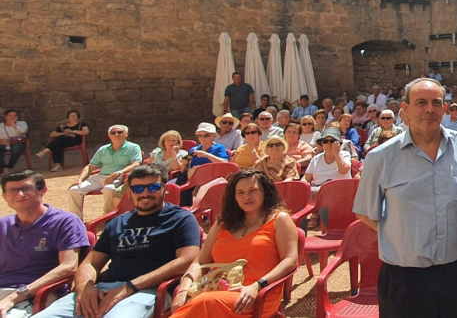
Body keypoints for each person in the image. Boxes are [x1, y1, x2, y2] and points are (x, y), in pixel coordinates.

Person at [353, 78, 457, 318]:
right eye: (421, 102)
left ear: (444, 108)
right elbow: (365, 212)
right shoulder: (380, 157)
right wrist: (405, 234)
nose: (429, 109)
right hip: (404, 279)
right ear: (405, 110)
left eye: (436, 103)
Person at [37, 165, 201, 318]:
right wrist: (85, 288)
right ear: (129, 193)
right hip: (103, 289)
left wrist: (130, 286)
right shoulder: (118, 222)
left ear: (164, 189)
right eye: (137, 189)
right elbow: (90, 264)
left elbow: (187, 260)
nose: (145, 194)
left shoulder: (181, 219)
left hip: (147, 291)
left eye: (153, 187)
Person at [170, 170, 299, 318]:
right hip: (216, 289)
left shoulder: (279, 219)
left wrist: (258, 285)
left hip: (255, 295)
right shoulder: (223, 222)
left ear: (265, 192)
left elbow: (290, 260)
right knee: (195, 301)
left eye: (253, 190)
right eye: (240, 193)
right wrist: (183, 289)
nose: (247, 197)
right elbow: (200, 261)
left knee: (204, 302)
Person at [0, 170, 90, 318]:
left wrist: (15, 296)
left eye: (26, 189)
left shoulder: (65, 222)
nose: (20, 195)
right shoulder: (3, 225)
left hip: (38, 294)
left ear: (43, 190)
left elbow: (69, 267)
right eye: (12, 190)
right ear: (4, 196)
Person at [67, 125, 142, 217]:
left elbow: (136, 164)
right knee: (74, 190)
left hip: (120, 177)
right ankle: (76, 219)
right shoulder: (103, 149)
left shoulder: (133, 147)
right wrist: (80, 179)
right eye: (113, 133)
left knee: (109, 189)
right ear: (109, 136)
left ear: (126, 134)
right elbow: (90, 167)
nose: (116, 134)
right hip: (101, 177)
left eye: (120, 132)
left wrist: (119, 172)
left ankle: (108, 217)